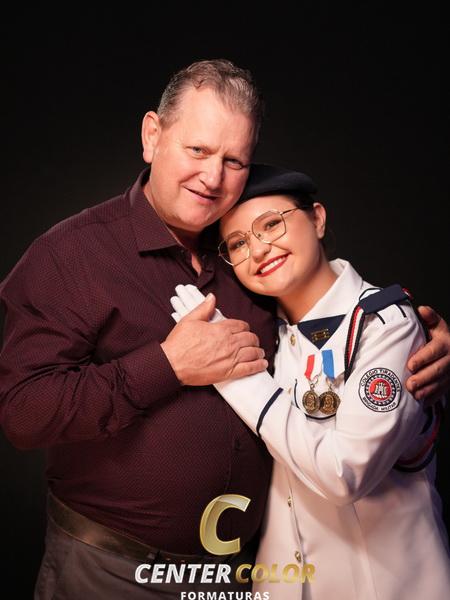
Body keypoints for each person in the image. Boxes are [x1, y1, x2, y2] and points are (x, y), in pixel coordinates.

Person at [0, 60, 448, 598]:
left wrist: (420, 343)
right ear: (152, 136)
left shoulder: (244, 253)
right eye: (198, 150)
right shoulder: (71, 254)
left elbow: (333, 330)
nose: (213, 178)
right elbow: (23, 412)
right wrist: (165, 365)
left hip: (245, 570)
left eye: (234, 160)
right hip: (114, 569)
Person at [170, 164, 450, 599]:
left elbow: (344, 474)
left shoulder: (384, 324)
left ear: (317, 219)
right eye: (238, 243)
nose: (259, 249)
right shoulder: (265, 332)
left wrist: (233, 372)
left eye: (271, 224)